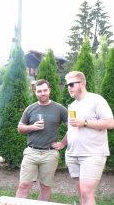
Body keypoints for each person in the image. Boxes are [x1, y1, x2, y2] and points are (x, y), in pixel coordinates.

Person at [53, 71, 114, 205]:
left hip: (92, 154)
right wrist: (63, 143)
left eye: (72, 84)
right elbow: (72, 128)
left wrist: (85, 123)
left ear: (83, 83)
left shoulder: (96, 100)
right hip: (73, 154)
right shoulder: (73, 105)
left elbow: (110, 123)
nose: (69, 87)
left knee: (86, 192)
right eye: (67, 85)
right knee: (81, 193)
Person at [15, 79, 68, 201]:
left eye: (45, 90)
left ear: (49, 90)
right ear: (35, 92)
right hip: (31, 153)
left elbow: (73, 127)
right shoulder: (30, 109)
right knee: (23, 185)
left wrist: (63, 143)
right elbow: (20, 128)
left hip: (50, 154)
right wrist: (32, 127)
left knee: (45, 187)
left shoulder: (59, 109)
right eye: (39, 91)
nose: (42, 93)